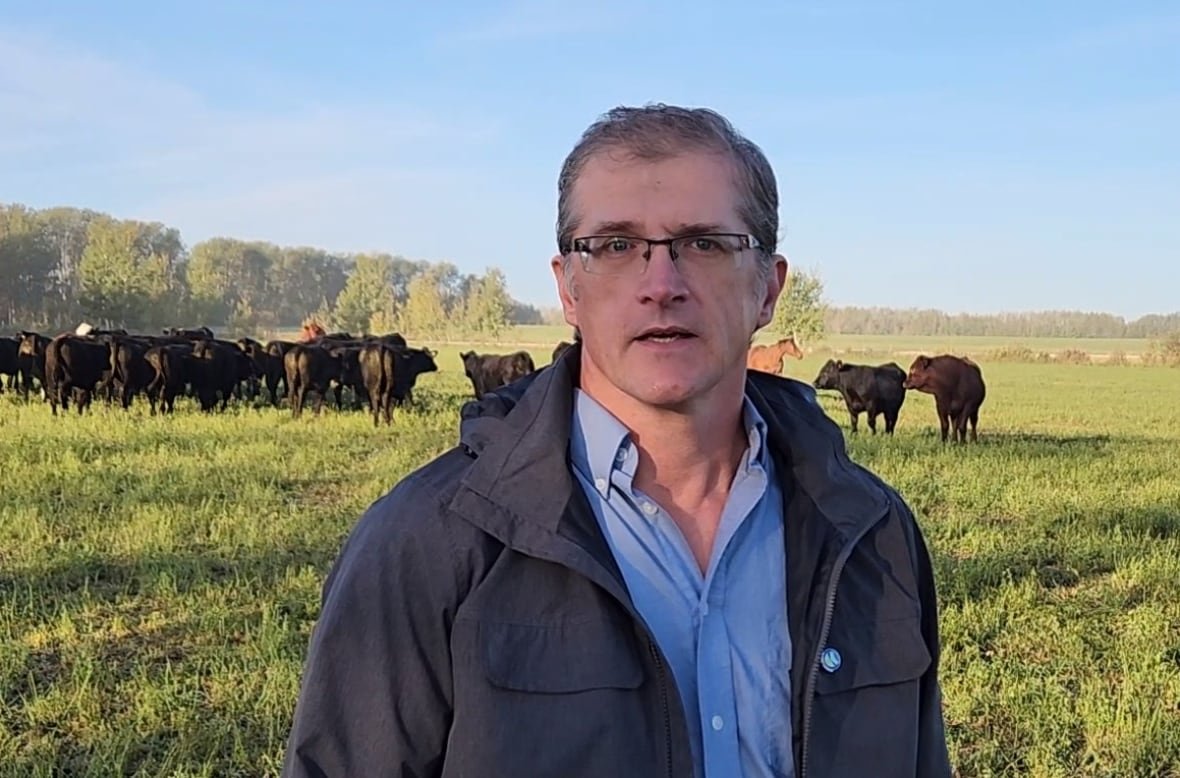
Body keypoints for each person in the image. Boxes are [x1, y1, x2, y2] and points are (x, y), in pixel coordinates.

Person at [281, 103, 952, 778]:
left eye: (706, 244)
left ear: (768, 290)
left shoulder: (872, 535)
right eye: (616, 246)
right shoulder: (425, 543)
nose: (661, 285)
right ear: (568, 289)